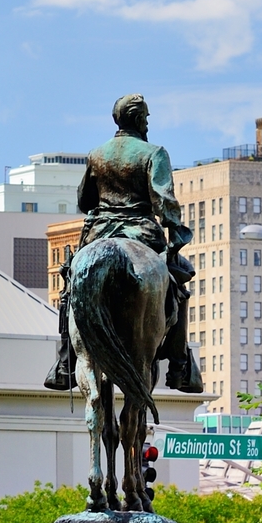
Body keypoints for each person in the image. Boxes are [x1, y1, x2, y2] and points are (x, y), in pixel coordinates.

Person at [45, 93, 203, 395]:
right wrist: (176, 229)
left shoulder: (97, 154)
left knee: (71, 286)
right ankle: (180, 366)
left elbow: (85, 201)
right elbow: (164, 200)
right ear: (139, 119)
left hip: (99, 234)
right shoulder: (154, 153)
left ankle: (65, 362)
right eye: (146, 116)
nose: (147, 121)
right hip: (141, 233)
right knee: (179, 281)